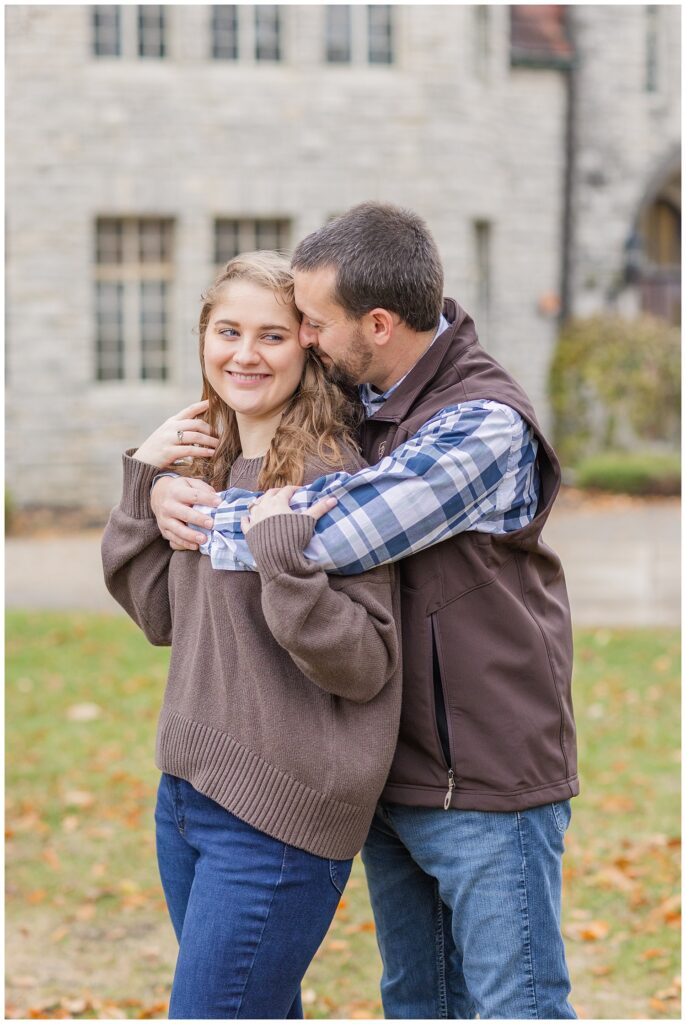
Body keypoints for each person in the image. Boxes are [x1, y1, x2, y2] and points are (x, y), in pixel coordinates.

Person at [150, 203, 578, 1020]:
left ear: (377, 324)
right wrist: (163, 486)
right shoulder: (372, 402)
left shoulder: (481, 423)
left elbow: (338, 529)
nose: (302, 339)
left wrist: (187, 512)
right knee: (418, 1001)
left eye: (311, 323)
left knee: (514, 1005)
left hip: (486, 774)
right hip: (398, 769)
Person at [101, 251, 402, 1019]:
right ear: (203, 338)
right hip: (187, 794)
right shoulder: (208, 462)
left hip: (279, 809)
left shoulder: (333, 476)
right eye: (227, 330)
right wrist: (146, 483)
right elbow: (160, 617)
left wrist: (286, 563)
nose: (245, 353)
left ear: (308, 346)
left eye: (272, 336)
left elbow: (365, 663)